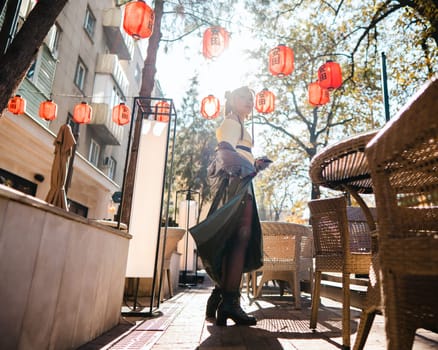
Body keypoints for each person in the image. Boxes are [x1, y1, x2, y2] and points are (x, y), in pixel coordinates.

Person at [190, 86, 271, 326]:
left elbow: (234, 152)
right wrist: (247, 170)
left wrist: (254, 164)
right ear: (232, 100)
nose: (249, 101)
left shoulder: (237, 123)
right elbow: (224, 150)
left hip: (241, 180)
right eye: (244, 97)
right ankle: (229, 303)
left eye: (251, 99)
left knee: (236, 240)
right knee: (240, 240)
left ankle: (223, 299)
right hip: (238, 183)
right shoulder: (232, 122)